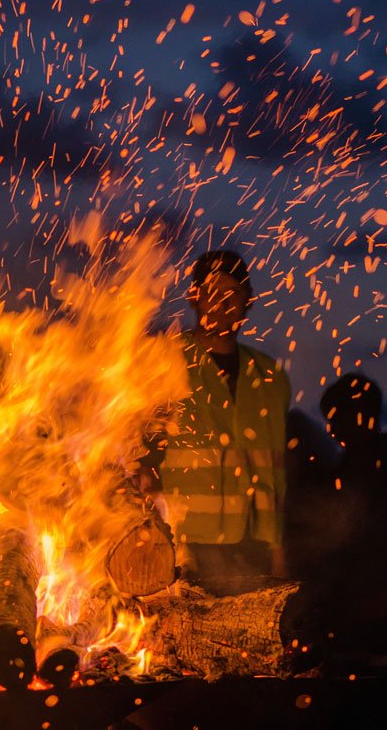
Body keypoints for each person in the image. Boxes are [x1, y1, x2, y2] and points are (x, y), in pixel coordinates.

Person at [152, 250, 291, 584]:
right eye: (214, 293)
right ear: (194, 298)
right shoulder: (162, 362)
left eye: (233, 294)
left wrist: (279, 549)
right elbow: (140, 458)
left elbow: (276, 473)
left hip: (254, 542)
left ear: (249, 302)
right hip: (187, 545)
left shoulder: (270, 376)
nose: (223, 303)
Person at [286, 372, 387, 659]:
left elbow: (352, 535)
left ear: (358, 414)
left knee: (366, 687)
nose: (332, 430)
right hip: (382, 602)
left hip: (372, 606)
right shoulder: (386, 461)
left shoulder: (373, 467)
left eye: (335, 418)